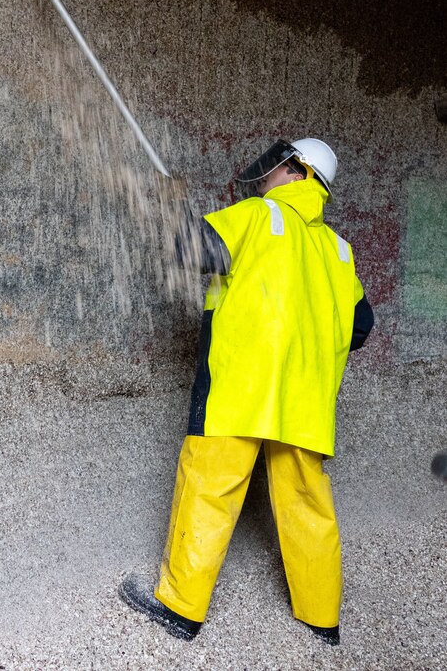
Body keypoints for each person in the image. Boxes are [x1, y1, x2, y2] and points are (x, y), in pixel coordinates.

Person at [119, 137, 374, 646]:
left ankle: (180, 608)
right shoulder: (340, 252)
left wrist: (174, 207)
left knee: (209, 491)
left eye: (277, 168)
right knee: (308, 509)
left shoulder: (258, 215)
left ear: (298, 173)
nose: (266, 176)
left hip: (239, 392)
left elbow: (191, 251)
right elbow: (361, 327)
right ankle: (321, 621)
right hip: (304, 409)